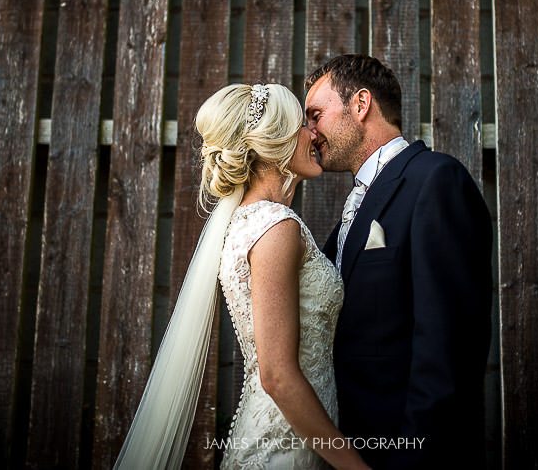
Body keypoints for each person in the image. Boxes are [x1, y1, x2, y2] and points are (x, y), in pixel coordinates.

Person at [113, 83, 368, 470]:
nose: (313, 133)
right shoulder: (275, 227)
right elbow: (278, 376)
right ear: (274, 143)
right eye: (303, 124)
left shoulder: (247, 222)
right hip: (285, 446)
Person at [304, 54, 493, 468]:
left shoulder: (436, 181)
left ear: (360, 104)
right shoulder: (357, 203)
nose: (310, 132)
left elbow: (449, 347)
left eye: (316, 115)